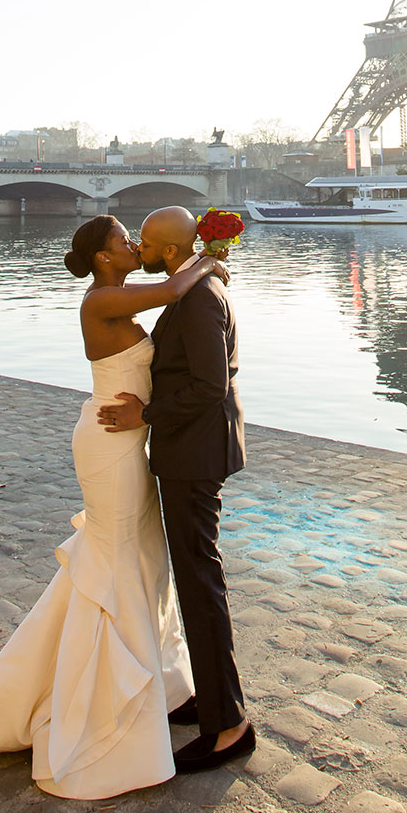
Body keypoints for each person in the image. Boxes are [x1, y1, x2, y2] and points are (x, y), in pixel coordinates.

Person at [0, 214, 228, 799]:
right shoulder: (103, 299)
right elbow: (176, 287)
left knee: (137, 559)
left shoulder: (117, 296)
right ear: (105, 258)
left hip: (128, 440)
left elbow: (180, 305)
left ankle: (144, 682)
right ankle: (101, 696)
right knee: (113, 559)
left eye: (140, 239)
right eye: (124, 241)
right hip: (110, 443)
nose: (133, 245)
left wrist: (202, 261)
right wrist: (210, 257)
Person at [97, 205, 254, 774]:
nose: (136, 246)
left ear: (168, 252)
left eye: (143, 240)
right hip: (195, 448)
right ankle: (210, 703)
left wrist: (148, 413)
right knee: (195, 577)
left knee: (199, 582)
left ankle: (229, 724)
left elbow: (211, 384)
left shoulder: (196, 298)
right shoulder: (194, 288)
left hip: (194, 454)